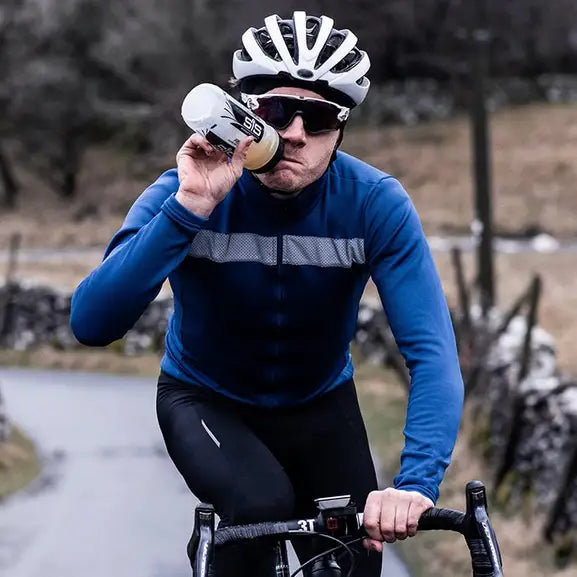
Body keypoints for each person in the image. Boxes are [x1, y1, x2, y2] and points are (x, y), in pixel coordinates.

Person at [70, 10, 464, 577]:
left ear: (340, 131)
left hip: (320, 405)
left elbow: (432, 352)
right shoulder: (182, 191)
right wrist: (188, 210)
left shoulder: (374, 203)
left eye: (320, 118)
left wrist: (415, 484)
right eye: (277, 112)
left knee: (352, 563)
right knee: (258, 506)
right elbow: (91, 322)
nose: (296, 133)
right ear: (244, 114)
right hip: (205, 398)